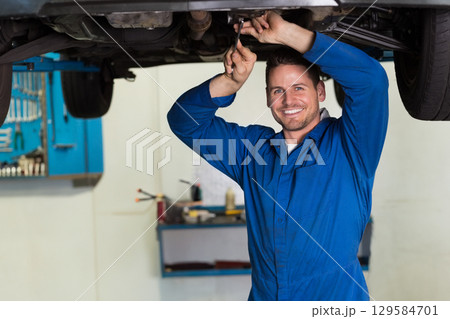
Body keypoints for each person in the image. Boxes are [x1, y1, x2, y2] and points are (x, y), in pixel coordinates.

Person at [167, 11, 388, 301]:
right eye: (277, 91)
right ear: (268, 98)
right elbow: (184, 121)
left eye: (299, 88)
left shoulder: (350, 145)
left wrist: (286, 34)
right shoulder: (254, 153)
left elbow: (371, 80)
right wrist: (229, 83)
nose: (288, 100)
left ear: (320, 91)